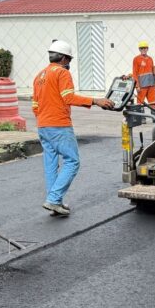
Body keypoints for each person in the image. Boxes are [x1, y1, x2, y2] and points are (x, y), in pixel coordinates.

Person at [32, 39, 114, 216]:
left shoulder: (39, 76)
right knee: (72, 161)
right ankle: (53, 199)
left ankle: (55, 201)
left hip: (43, 126)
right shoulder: (62, 73)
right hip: (59, 125)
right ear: (63, 58)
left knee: (51, 163)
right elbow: (68, 98)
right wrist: (95, 101)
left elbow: (35, 105)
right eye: (69, 60)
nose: (69, 63)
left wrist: (44, 119)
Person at [124, 40, 155, 104]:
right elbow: (135, 73)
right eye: (141, 48)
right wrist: (137, 86)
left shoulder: (150, 59)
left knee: (153, 102)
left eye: (145, 48)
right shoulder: (136, 59)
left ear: (147, 49)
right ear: (139, 49)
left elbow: (153, 72)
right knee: (140, 103)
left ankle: (154, 113)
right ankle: (140, 113)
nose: (143, 49)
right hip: (142, 86)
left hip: (151, 85)